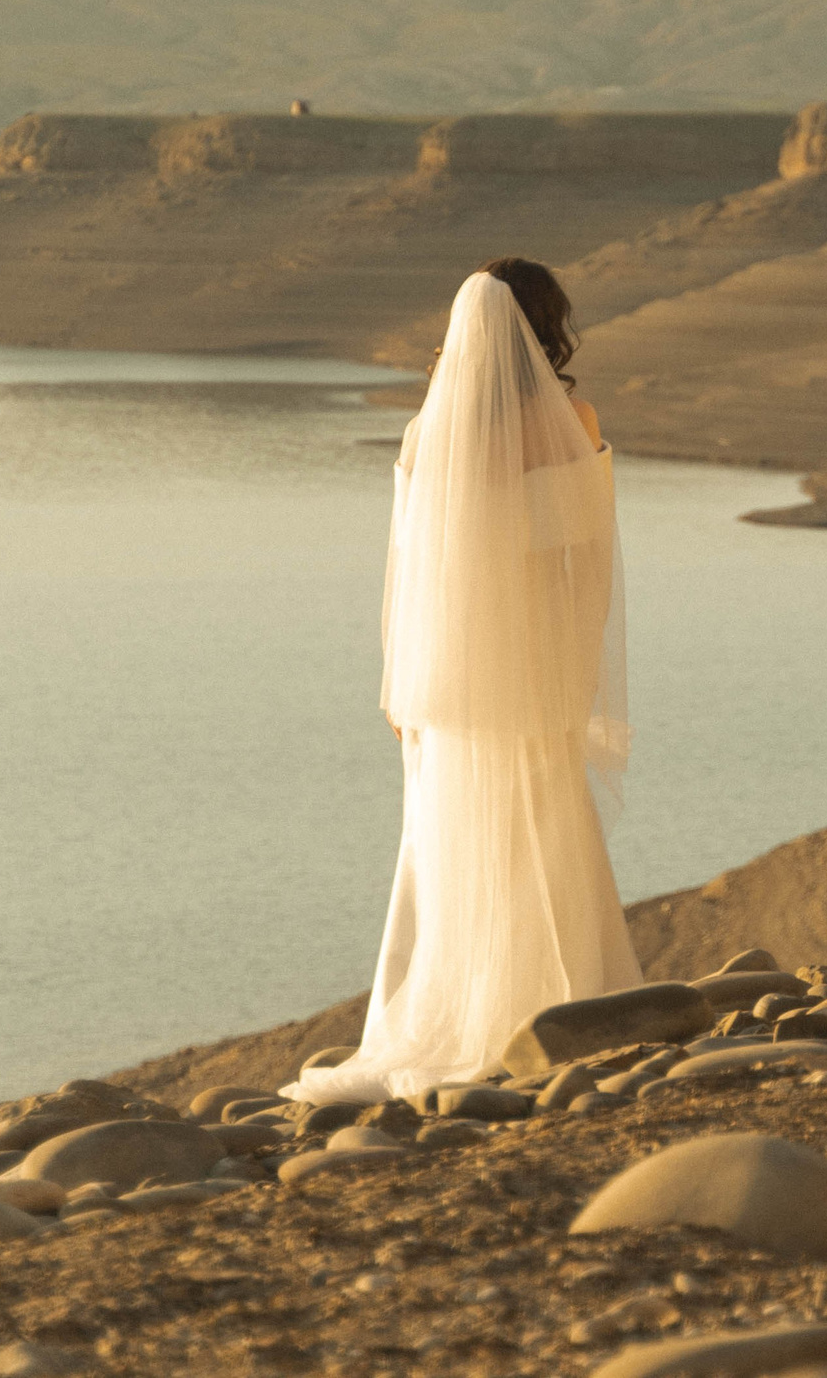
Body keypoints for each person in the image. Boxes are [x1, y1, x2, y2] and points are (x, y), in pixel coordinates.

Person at [283, 258, 641, 1102]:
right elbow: (586, 563)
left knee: (449, 849)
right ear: (546, 328)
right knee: (542, 833)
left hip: (447, 683)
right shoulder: (571, 421)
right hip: (532, 675)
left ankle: (456, 1006)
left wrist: (402, 680)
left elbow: (409, 571)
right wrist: (579, 663)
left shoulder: (424, 435)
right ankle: (556, 1009)